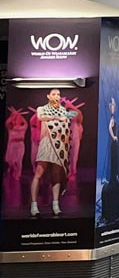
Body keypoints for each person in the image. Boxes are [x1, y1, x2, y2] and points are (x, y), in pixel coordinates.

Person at [30, 88, 75, 217]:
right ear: (48, 96)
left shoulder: (64, 111)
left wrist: (64, 116)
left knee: (56, 174)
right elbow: (40, 117)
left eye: (59, 94)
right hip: (46, 143)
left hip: (59, 145)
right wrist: (56, 117)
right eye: (54, 94)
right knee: (39, 172)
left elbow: (69, 120)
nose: (57, 96)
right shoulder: (42, 109)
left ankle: (56, 205)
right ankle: (34, 205)